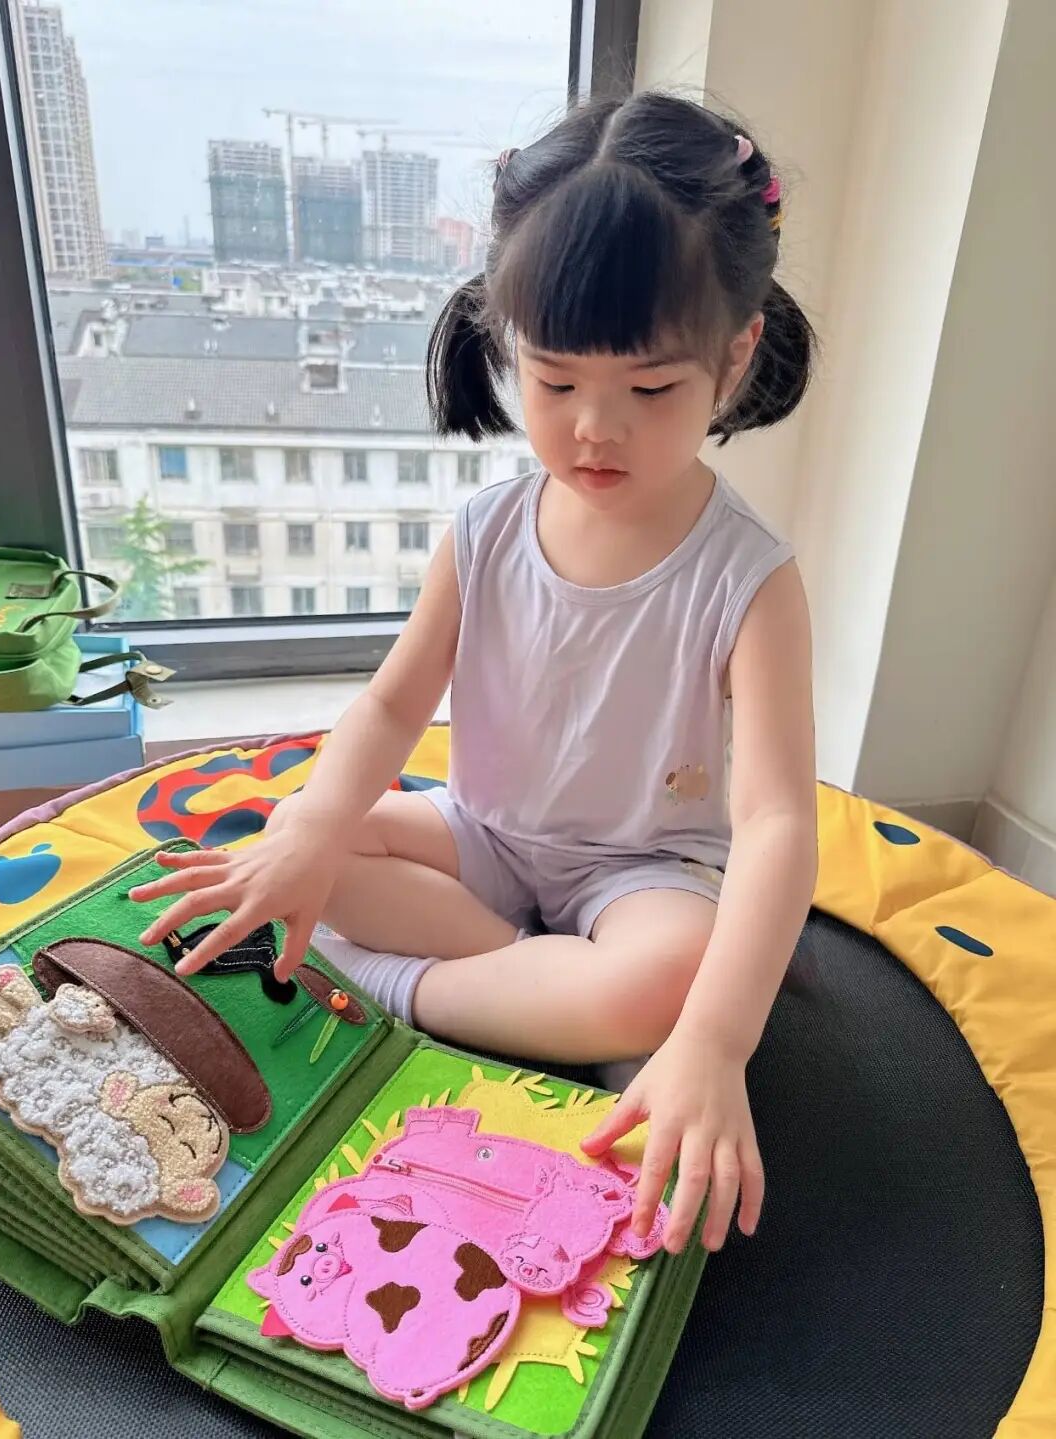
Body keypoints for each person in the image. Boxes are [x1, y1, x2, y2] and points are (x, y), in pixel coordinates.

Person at [131, 92, 818, 1260]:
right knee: (296, 830)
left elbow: (777, 822)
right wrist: (315, 830)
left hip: (644, 870)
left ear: (736, 355)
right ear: (509, 348)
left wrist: (715, 1040)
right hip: (481, 835)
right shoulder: (487, 530)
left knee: (667, 978)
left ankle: (403, 985)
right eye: (555, 383)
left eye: (651, 390)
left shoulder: (749, 577)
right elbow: (393, 703)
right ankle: (527, 986)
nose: (595, 428)